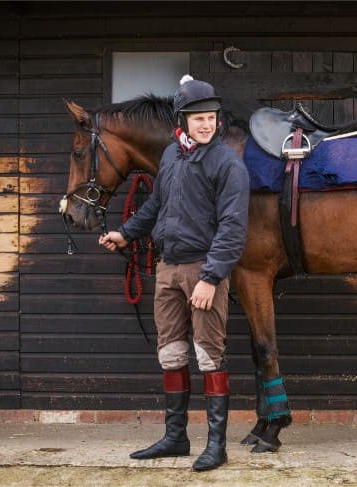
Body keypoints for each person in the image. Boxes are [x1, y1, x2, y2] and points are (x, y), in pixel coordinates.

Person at [99, 75, 250, 471]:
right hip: (167, 268)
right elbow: (155, 207)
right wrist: (125, 233)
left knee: (209, 355)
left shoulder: (227, 164)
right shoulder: (171, 157)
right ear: (181, 122)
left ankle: (216, 445)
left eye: (211, 117)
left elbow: (233, 229)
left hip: (203, 269)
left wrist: (211, 277)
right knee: (170, 352)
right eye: (197, 118)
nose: (206, 124)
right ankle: (175, 437)